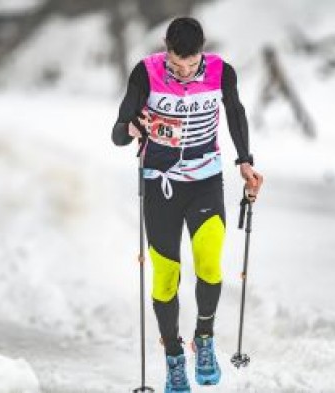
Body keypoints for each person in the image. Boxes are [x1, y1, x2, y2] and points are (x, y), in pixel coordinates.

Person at [112, 16, 263, 393]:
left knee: (210, 263)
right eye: (176, 66)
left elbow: (235, 112)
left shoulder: (219, 71)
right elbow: (117, 133)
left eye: (191, 65)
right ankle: (174, 357)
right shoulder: (146, 73)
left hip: (205, 182)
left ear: (202, 53)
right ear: (165, 49)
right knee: (166, 276)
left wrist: (245, 159)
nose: (183, 73)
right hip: (161, 186)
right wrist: (133, 127)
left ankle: (205, 339)